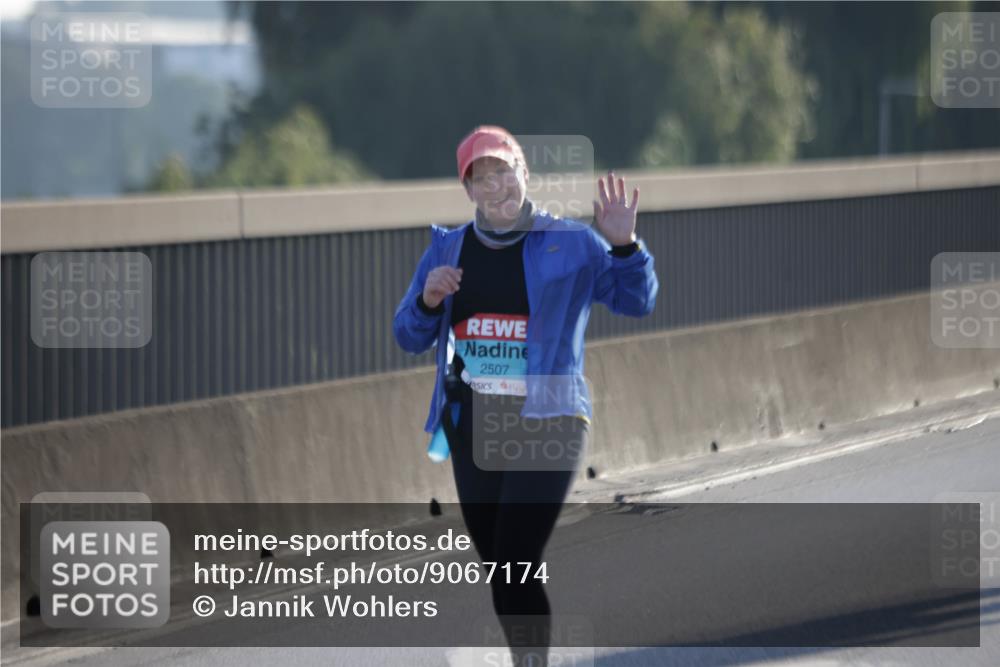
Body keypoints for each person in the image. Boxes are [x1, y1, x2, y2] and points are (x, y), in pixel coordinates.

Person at [392, 125, 658, 666]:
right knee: (500, 567)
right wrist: (426, 299)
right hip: (472, 427)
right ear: (469, 192)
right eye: (480, 178)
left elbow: (637, 301)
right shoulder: (447, 249)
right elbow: (406, 335)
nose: (495, 187)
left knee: (515, 557)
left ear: (524, 174)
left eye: (502, 171)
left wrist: (625, 246)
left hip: (551, 420)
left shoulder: (575, 243)